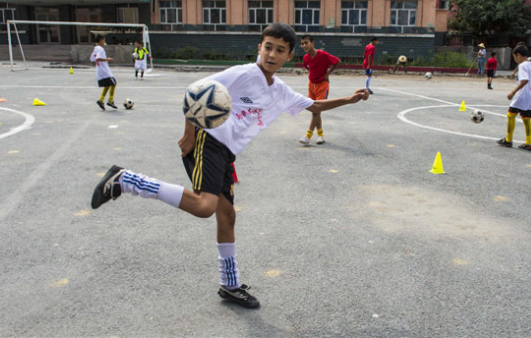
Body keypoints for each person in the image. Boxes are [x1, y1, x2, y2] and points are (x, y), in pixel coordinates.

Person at [91, 23, 370, 309]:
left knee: (227, 217)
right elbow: (196, 89)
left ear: (289, 56)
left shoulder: (281, 90)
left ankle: (230, 284)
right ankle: (127, 180)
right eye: (268, 47)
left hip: (226, 151)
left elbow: (314, 105)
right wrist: (189, 131)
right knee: (204, 206)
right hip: (208, 139)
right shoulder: (245, 73)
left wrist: (349, 99)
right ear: (259, 48)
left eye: (280, 50)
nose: (272, 54)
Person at [298, 34, 341, 145]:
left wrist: (328, 73)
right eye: (302, 43)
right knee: (315, 111)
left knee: (316, 111)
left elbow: (337, 61)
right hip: (311, 86)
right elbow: (308, 68)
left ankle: (308, 136)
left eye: (306, 42)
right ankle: (320, 135)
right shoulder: (305, 58)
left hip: (322, 86)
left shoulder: (323, 55)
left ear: (312, 43)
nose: (304, 45)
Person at [497, 45, 531, 151]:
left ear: (518, 55)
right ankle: (528, 143)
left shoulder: (523, 65)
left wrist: (513, 92)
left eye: (515, 57)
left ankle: (508, 140)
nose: (515, 60)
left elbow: (525, 80)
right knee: (526, 118)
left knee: (510, 115)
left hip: (523, 94)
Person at [91, 34, 117, 110]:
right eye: (104, 40)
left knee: (108, 84)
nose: (104, 42)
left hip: (100, 70)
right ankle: (110, 101)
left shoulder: (95, 48)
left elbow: (92, 59)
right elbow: (98, 58)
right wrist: (107, 59)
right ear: (101, 40)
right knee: (114, 83)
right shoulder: (100, 49)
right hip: (104, 70)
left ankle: (101, 100)